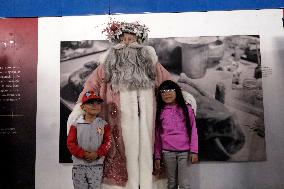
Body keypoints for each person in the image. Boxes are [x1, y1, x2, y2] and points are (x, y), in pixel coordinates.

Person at [67, 21, 172, 189]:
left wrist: (184, 98)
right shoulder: (107, 65)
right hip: (118, 119)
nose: (127, 43)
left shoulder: (150, 63)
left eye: (131, 39)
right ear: (117, 42)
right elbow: (91, 86)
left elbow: (168, 82)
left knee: (147, 152)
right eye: (124, 40)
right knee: (121, 150)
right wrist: (81, 107)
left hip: (146, 121)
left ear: (139, 41)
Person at [154, 80, 198, 189]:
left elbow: (193, 130)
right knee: (171, 183)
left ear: (177, 92)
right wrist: (157, 156)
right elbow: (158, 136)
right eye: (163, 92)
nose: (167, 94)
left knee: (184, 183)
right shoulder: (160, 112)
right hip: (167, 152)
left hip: (184, 152)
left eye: (170, 90)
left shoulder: (187, 109)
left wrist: (194, 151)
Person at [67, 91, 111, 189]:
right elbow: (70, 143)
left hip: (97, 166)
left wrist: (97, 153)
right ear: (83, 107)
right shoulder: (75, 125)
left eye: (98, 103)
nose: (95, 105)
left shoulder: (104, 125)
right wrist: (82, 154)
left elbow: (108, 142)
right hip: (79, 166)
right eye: (91, 103)